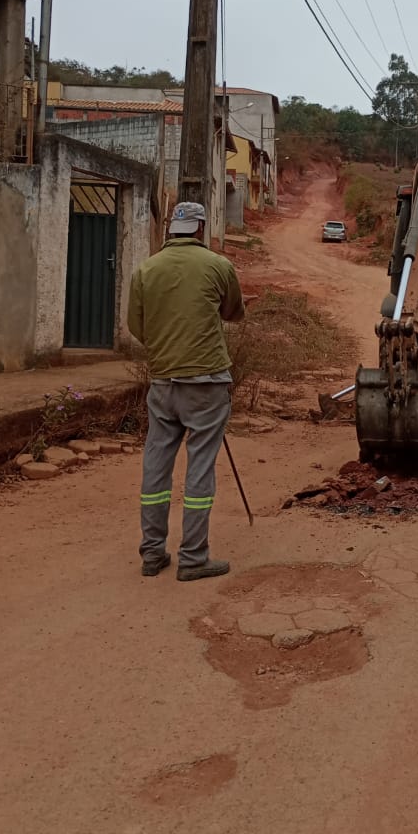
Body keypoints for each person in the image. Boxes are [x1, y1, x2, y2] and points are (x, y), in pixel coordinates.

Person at [128, 201, 245, 581]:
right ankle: (193, 558)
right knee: (200, 466)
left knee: (156, 466)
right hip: (207, 382)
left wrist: (167, 346)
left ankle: (152, 553)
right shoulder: (217, 265)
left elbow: (137, 328)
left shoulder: (146, 270)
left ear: (171, 229)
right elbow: (233, 313)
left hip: (163, 382)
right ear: (200, 229)